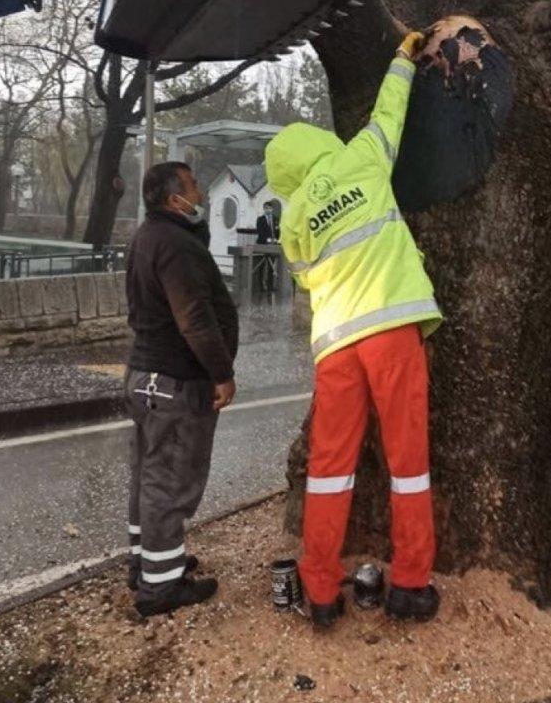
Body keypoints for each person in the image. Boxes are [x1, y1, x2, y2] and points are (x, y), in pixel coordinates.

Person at [264, 31, 443, 628]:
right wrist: (401, 57)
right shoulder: (360, 157)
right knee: (408, 461)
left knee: (329, 469)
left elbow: (306, 281)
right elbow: (388, 111)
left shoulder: (291, 217)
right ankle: (410, 586)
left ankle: (319, 592)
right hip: (391, 325)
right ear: (320, 143)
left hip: (336, 344)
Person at [124, 161, 238, 617]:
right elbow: (194, 317)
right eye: (194, 187)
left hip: (144, 378)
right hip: (175, 382)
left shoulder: (144, 238)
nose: (201, 196)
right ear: (175, 200)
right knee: (169, 485)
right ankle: (160, 589)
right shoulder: (176, 245)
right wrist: (222, 372)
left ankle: (150, 564)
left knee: (149, 479)